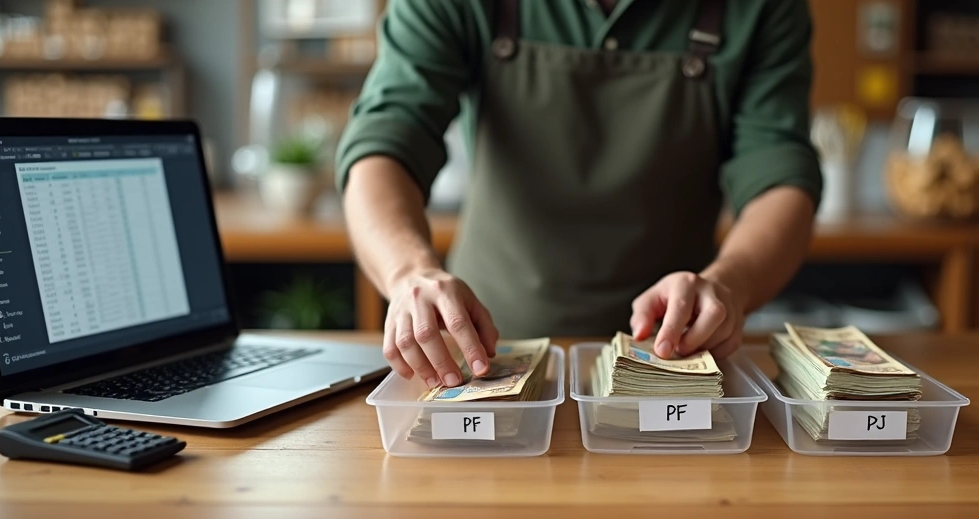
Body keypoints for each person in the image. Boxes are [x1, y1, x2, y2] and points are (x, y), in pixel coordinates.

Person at [337, 0, 822, 389]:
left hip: (677, 348)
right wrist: (408, 273)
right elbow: (385, 140)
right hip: (487, 341)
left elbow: (779, 175)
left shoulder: (764, 9)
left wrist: (729, 286)